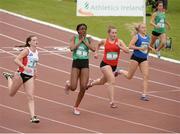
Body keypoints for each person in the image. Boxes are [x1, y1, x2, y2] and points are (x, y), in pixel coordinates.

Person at [87, 26, 129, 108]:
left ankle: (90, 83)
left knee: (102, 81)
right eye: (113, 33)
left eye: (116, 33)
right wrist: (96, 53)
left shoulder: (120, 41)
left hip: (113, 66)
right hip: (105, 64)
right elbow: (98, 44)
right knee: (112, 80)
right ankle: (112, 102)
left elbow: (127, 51)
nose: (114, 34)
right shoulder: (104, 41)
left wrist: (120, 47)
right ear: (109, 33)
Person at [2, 35, 40, 123]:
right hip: (21, 74)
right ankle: (9, 77)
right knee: (11, 94)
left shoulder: (37, 51)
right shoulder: (27, 50)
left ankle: (33, 117)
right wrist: (23, 66)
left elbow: (35, 63)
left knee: (30, 96)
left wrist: (35, 71)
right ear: (29, 42)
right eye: (34, 40)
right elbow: (16, 60)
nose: (36, 41)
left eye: (36, 40)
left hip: (30, 76)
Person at [116, 23, 154, 101]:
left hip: (144, 59)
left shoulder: (147, 37)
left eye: (145, 27)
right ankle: (120, 71)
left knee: (146, 76)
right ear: (139, 29)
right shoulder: (137, 37)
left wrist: (151, 48)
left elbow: (146, 46)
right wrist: (140, 48)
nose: (144, 29)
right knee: (129, 76)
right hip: (135, 58)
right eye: (143, 28)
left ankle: (144, 95)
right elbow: (130, 46)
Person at [64, 23, 95, 115]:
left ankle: (76, 107)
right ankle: (68, 85)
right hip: (76, 63)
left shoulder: (89, 39)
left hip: (85, 63)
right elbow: (72, 48)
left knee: (83, 88)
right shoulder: (74, 38)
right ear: (78, 30)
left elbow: (93, 49)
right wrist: (79, 41)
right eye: (81, 29)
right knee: (73, 87)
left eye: (85, 29)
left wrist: (85, 42)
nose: (83, 30)